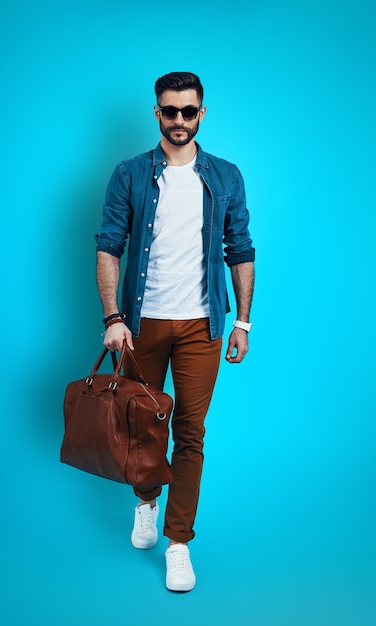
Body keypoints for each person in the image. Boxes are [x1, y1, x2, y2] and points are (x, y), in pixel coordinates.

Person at [95, 71, 255, 592]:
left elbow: (241, 249)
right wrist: (113, 318)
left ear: (201, 113)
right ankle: (145, 502)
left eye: (189, 111)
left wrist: (242, 322)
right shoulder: (130, 174)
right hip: (141, 325)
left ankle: (179, 542)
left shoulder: (226, 176)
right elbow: (108, 245)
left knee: (190, 431)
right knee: (144, 424)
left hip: (203, 323)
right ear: (157, 113)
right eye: (170, 111)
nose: (180, 120)